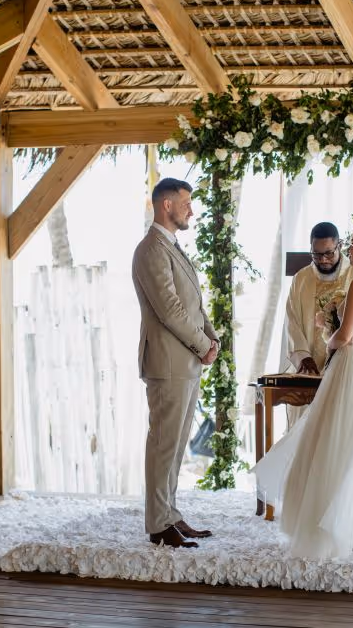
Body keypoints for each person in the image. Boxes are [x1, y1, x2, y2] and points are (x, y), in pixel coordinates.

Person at [255, 223, 353, 559]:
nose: (347, 250)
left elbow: (344, 336)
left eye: (352, 245)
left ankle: (325, 531)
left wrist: (327, 336)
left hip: (350, 366)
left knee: (332, 443)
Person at [132, 178, 218, 548]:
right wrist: (202, 344)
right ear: (166, 205)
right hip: (168, 361)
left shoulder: (171, 247)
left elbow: (193, 303)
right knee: (164, 443)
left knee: (178, 443)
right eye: (185, 203)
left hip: (186, 360)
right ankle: (158, 523)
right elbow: (170, 309)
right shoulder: (151, 249)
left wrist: (211, 339)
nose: (191, 211)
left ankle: (170, 513)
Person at [281, 222, 353, 426]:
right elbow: (292, 321)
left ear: (339, 245)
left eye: (328, 253)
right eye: (316, 254)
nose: (323, 260)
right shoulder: (301, 279)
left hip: (344, 365)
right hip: (310, 369)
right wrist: (303, 357)